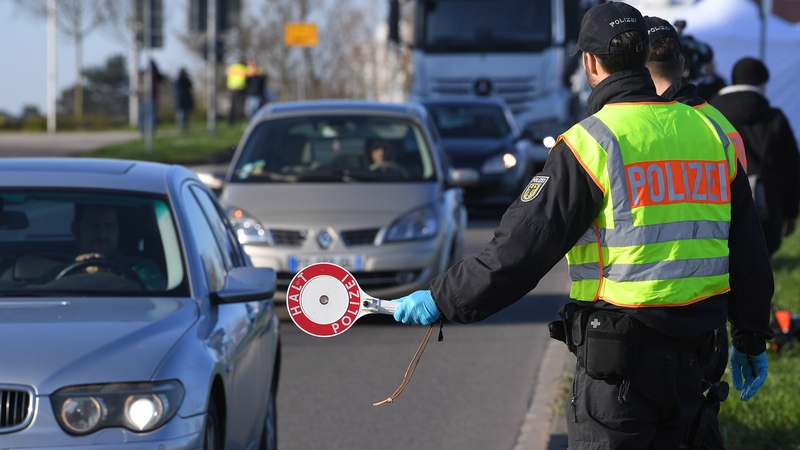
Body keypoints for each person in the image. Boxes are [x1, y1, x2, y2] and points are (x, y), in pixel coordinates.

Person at [390, 3, 774, 449]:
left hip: (621, 368)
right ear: (644, 52)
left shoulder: (591, 143)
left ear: (591, 62)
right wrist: (751, 335)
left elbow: (518, 252)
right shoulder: (711, 132)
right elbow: (749, 249)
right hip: (700, 361)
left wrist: (443, 298)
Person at [644, 16, 751, 449]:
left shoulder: (616, 131)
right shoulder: (723, 130)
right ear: (684, 62)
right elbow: (745, 239)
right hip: (706, 327)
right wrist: (750, 331)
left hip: (630, 326)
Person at [711, 57, 800, 257]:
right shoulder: (773, 117)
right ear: (762, 83)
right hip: (766, 207)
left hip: (720, 202)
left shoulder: (711, 114)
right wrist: (791, 212)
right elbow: (792, 167)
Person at [40, 204, 166, 291]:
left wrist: (110, 280)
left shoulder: (143, 269)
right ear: (76, 230)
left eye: (109, 227)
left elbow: (156, 305)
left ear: (118, 230)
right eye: (94, 226)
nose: (102, 234)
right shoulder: (54, 273)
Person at [138, 59, 164, 135]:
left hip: (143, 97)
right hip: (151, 97)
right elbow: (161, 79)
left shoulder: (143, 74)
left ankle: (142, 130)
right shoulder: (154, 75)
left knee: (143, 114)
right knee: (151, 114)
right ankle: (151, 130)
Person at [226, 59, 248, 125]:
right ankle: (238, 119)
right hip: (240, 88)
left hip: (232, 88)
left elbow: (227, 76)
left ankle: (231, 120)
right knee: (240, 105)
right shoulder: (244, 68)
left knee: (233, 105)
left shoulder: (232, 67)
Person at [174, 68, 194, 134]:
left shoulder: (183, 79)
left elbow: (190, 86)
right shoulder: (180, 80)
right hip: (182, 99)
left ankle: (183, 127)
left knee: (184, 113)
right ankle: (182, 127)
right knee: (182, 113)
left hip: (184, 98)